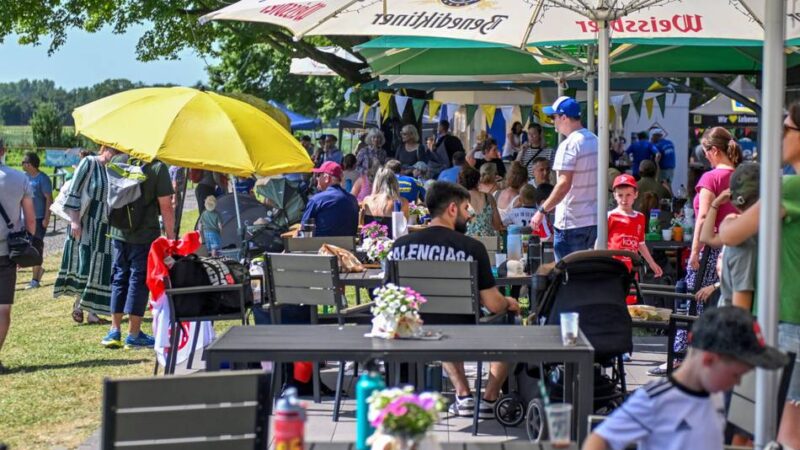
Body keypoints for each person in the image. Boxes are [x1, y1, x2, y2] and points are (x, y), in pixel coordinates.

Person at [389, 181, 519, 418]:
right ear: (452, 209)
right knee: (511, 322)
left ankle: (463, 395)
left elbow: (390, 297)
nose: (469, 216)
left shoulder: (400, 247)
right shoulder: (471, 247)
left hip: (415, 331)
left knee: (441, 318)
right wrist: (508, 303)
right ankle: (489, 399)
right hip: (465, 331)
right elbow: (492, 304)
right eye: (466, 209)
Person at [582, 306, 788, 450]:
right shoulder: (656, 399)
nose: (738, 383)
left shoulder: (713, 394)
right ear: (708, 360)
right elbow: (600, 438)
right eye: (736, 374)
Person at [719, 101, 800, 448]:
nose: (777, 137)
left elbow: (730, 234)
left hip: (779, 323)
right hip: (785, 320)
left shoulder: (789, 189)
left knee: (756, 430)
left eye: (784, 129)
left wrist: (729, 220)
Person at [649, 126, 741, 377]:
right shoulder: (740, 175)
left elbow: (702, 218)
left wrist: (693, 253)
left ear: (713, 151)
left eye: (705, 151)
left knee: (691, 303)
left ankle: (682, 358)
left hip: (708, 249)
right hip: (733, 247)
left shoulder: (710, 179)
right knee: (718, 303)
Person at [101, 154, 175, 349]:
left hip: (119, 231)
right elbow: (166, 206)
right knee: (138, 280)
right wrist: (170, 238)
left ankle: (114, 330)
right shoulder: (157, 168)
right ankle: (134, 334)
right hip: (144, 234)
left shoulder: (118, 161)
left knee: (119, 277)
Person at [55, 146, 119, 325]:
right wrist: (75, 221)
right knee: (85, 264)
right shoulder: (89, 163)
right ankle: (78, 304)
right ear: (104, 148)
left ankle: (92, 313)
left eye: (118, 153)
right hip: (87, 223)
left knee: (100, 267)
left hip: (105, 226)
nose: (115, 155)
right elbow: (74, 191)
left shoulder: (113, 169)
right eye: (113, 151)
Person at [531, 96, 598, 261]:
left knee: (567, 279)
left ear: (564, 117)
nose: (553, 121)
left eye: (554, 117)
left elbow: (563, 184)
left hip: (571, 222)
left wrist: (542, 210)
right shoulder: (596, 140)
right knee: (587, 275)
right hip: (593, 220)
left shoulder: (568, 145)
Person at [0, 139, 36, 374]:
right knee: (3, 310)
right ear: (3, 151)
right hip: (7, 253)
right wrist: (28, 246)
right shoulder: (19, 178)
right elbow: (30, 219)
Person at [701, 163, 758, 309]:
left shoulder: (739, 234)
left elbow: (706, 238)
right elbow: (707, 238)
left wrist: (716, 203)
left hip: (733, 315)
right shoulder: (738, 229)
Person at [606, 174, 664, 304]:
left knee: (629, 301)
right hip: (612, 267)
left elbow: (640, 243)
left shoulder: (640, 217)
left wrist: (652, 263)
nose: (624, 199)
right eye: (620, 195)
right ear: (614, 195)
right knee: (612, 300)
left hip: (631, 269)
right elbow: (600, 241)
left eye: (628, 195)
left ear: (636, 195)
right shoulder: (610, 216)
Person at [302, 161, 359, 237]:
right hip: (348, 247)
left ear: (326, 178)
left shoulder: (316, 200)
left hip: (321, 247)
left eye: (319, 175)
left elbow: (305, 230)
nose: (317, 178)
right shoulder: (353, 200)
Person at [21, 152, 52, 289]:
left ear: (30, 164)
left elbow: (49, 200)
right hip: (26, 219)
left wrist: (47, 218)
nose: (22, 164)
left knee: (36, 247)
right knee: (25, 247)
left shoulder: (43, 179)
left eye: (24, 162)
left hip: (39, 220)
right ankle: (38, 271)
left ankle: (35, 280)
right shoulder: (24, 178)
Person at [360, 167, 408, 234]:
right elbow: (404, 227)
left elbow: (362, 224)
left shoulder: (366, 200)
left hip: (369, 241)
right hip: (391, 242)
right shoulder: (401, 202)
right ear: (395, 183)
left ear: (376, 182)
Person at [459, 165, 503, 237]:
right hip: (488, 243)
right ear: (478, 181)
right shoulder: (489, 197)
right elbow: (497, 225)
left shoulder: (460, 199)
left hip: (467, 242)